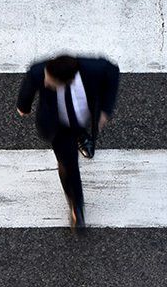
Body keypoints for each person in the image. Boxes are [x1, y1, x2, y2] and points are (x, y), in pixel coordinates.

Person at [16, 53, 120, 233]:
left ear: (68, 81)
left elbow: (113, 71)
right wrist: (23, 106)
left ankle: (81, 135)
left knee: (80, 126)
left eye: (51, 81)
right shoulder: (39, 71)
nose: (46, 81)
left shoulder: (94, 69)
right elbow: (28, 87)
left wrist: (105, 109)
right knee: (68, 164)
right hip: (58, 126)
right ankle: (76, 205)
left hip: (84, 115)